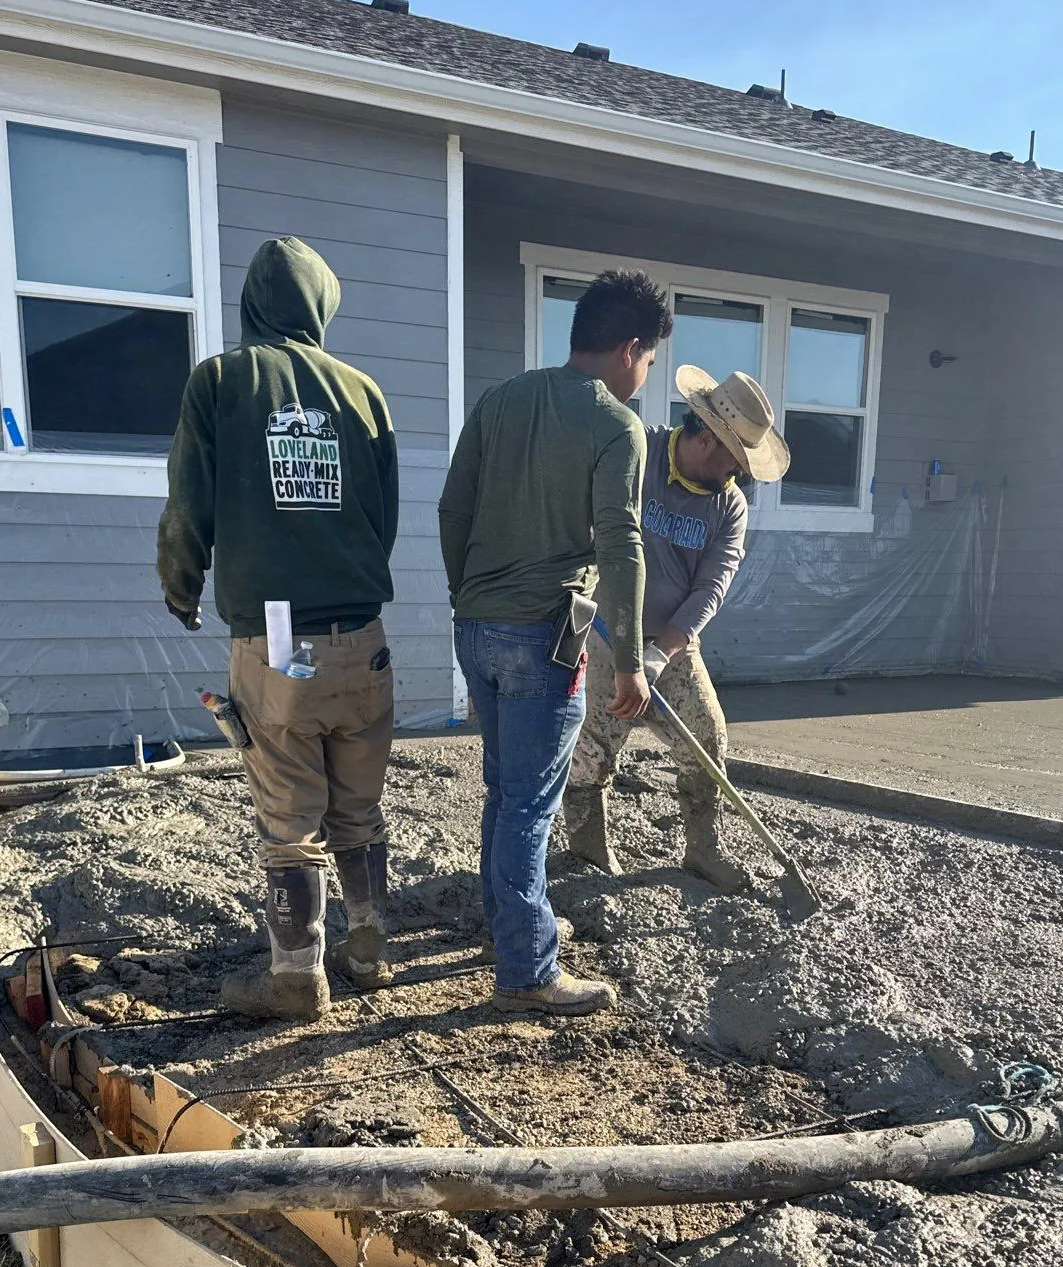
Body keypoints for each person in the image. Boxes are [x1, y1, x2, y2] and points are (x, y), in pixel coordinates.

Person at [157, 235, 398, 1024]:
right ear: (319, 303)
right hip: (362, 635)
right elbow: (382, 515)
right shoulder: (364, 391)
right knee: (359, 806)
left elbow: (190, 502)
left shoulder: (221, 381)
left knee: (290, 818)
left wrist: (182, 585)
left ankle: (298, 978)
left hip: (279, 638)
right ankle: (369, 949)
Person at [438, 268, 672, 1016]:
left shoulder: (501, 400)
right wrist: (633, 661)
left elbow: (453, 507)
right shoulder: (615, 425)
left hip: (476, 628)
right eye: (649, 362)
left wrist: (466, 596)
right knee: (529, 805)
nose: (645, 377)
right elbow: (623, 543)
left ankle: (511, 926)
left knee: (506, 790)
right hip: (543, 637)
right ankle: (528, 970)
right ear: (630, 348)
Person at [563, 366, 791, 892]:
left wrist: (659, 655)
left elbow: (710, 589)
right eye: (736, 457)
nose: (740, 471)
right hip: (602, 629)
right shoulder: (636, 451)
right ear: (707, 436)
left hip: (669, 643)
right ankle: (589, 849)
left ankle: (702, 850)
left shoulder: (728, 504)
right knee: (594, 742)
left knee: (708, 735)